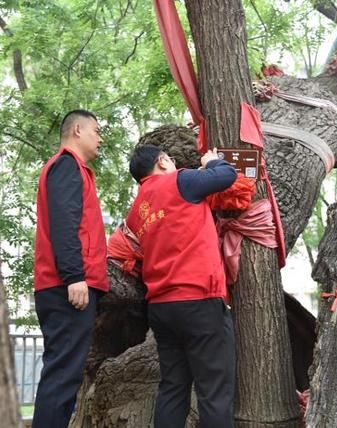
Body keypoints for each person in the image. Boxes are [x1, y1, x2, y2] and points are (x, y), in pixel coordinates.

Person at [126, 142, 238, 428]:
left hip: (162, 308)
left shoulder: (137, 210)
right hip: (198, 301)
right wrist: (212, 161)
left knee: (173, 388)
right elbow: (227, 176)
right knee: (213, 392)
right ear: (163, 161)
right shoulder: (180, 180)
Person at [32, 109, 109, 428]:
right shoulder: (66, 165)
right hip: (67, 287)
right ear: (77, 130)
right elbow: (65, 224)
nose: (100, 138)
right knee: (63, 376)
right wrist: (74, 276)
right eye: (96, 131)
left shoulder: (74, 169)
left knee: (65, 374)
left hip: (66, 285)